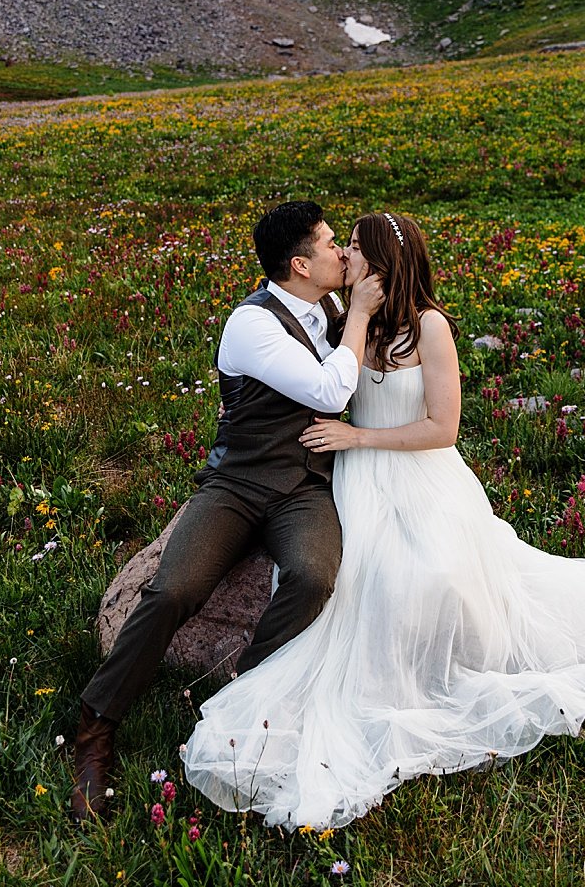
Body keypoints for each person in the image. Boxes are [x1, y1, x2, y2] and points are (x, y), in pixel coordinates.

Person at [180, 211, 585, 830]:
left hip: (416, 474)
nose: (344, 258)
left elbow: (444, 428)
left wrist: (357, 436)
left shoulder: (429, 327)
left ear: (382, 266)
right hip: (354, 483)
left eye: (354, 249)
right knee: (356, 580)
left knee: (434, 574)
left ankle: (434, 676)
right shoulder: (340, 323)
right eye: (340, 247)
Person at [72, 201, 385, 821]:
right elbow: (329, 389)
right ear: (300, 264)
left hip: (303, 486)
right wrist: (362, 316)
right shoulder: (252, 324)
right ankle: (94, 729)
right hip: (237, 484)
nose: (340, 253)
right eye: (330, 245)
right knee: (171, 591)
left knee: (312, 576)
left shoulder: (324, 305)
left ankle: (242, 698)